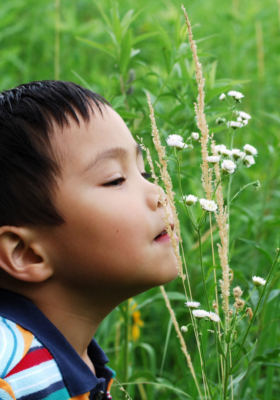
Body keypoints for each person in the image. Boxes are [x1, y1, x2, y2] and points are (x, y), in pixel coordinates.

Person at [0, 81, 178, 400]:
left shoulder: (54, 358)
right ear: (26, 253)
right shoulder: (16, 373)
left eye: (144, 174)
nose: (159, 194)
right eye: (115, 180)